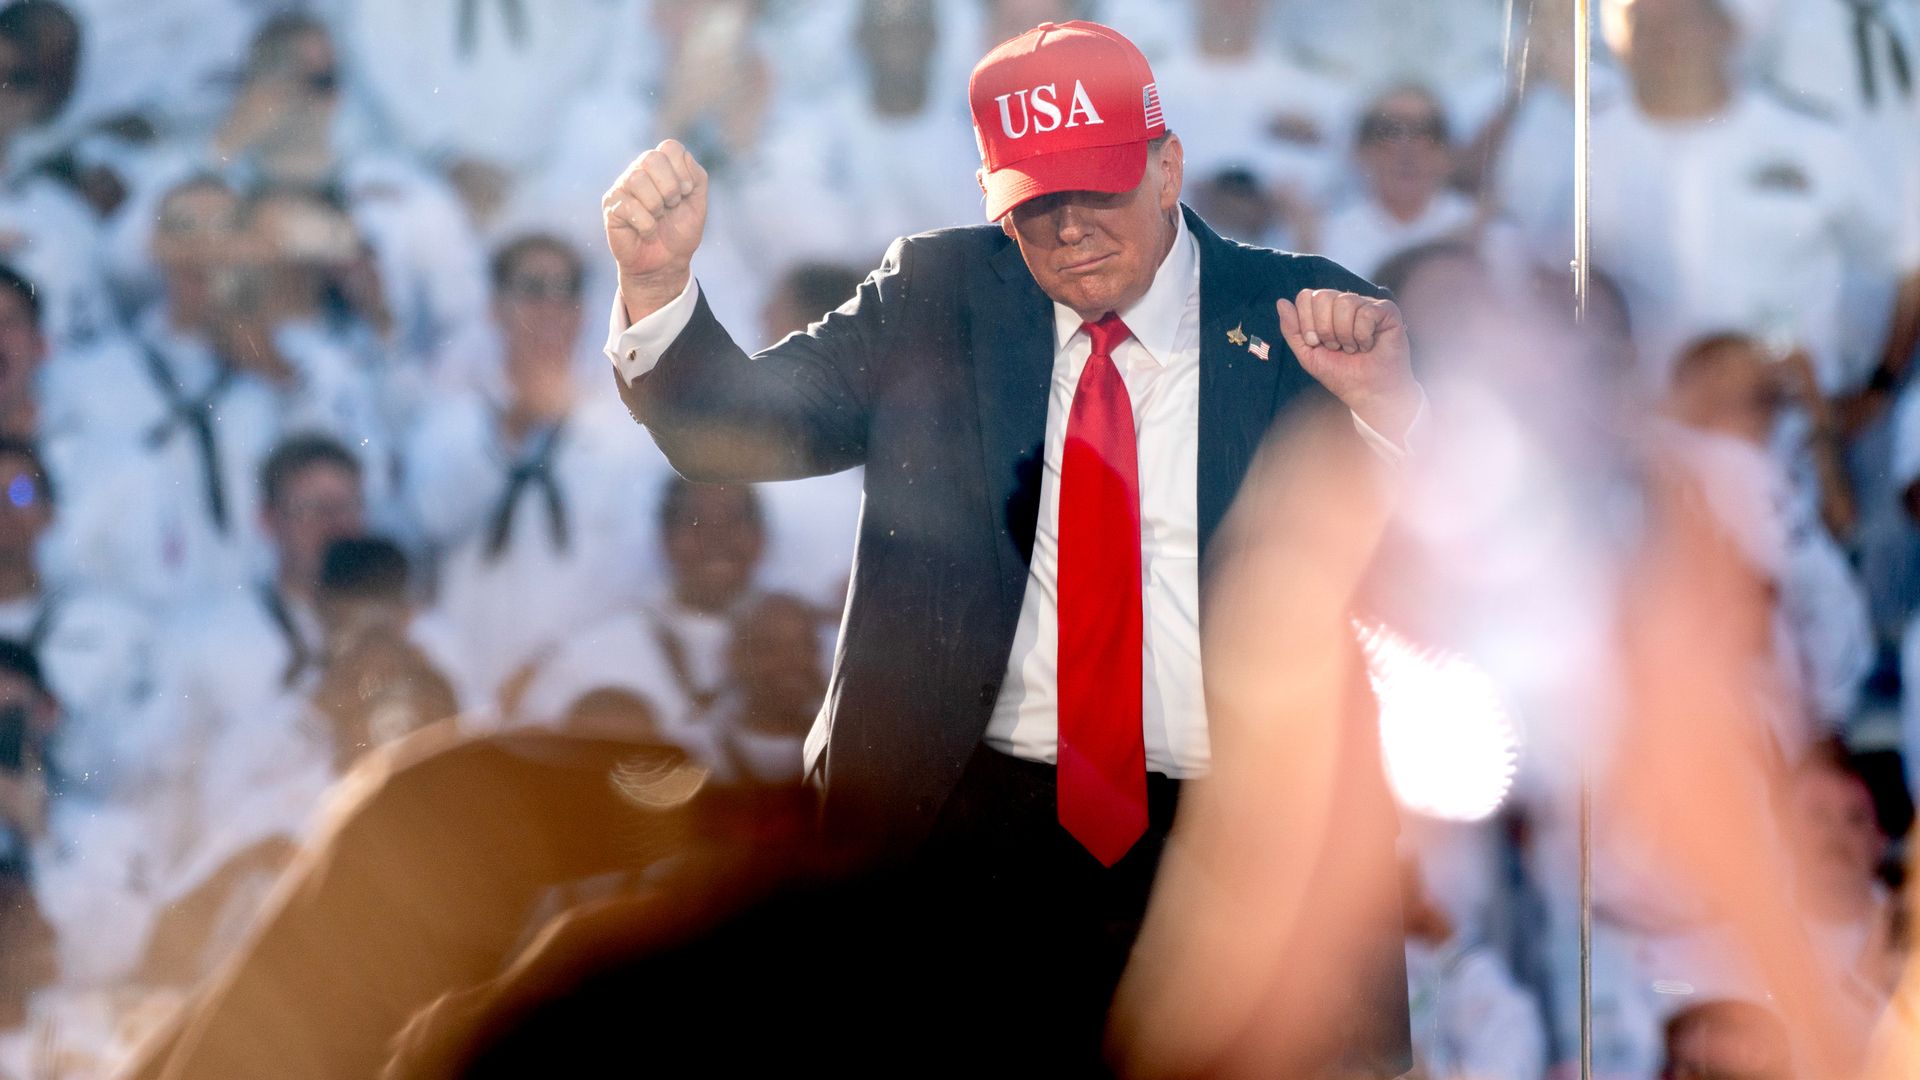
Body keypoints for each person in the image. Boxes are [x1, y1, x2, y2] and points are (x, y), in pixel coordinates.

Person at [602, 19, 1418, 1070]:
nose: (1070, 227)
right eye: (1035, 201)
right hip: (964, 831)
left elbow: (1439, 571)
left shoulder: (1305, 317)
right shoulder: (938, 295)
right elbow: (735, 430)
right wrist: (660, 289)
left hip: (1236, 845)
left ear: (1168, 169)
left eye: (1099, 188)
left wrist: (1392, 417)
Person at [405, 233, 666, 718]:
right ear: (495, 309)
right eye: (532, 290)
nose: (550, 308)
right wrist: (514, 427)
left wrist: (547, 661)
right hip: (469, 673)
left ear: (582, 312)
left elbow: (632, 571)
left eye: (565, 292)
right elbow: (432, 519)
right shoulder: (450, 421)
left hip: (576, 678)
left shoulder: (625, 430)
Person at [516, 477, 765, 741]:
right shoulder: (595, 652)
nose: (717, 540)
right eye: (696, 523)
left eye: (734, 521)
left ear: (761, 538)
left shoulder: (793, 648)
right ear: (665, 539)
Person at [1318, 85, 1478, 280]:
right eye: (1388, 131)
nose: (1407, 149)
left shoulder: (1485, 232)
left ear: (1448, 153)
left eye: (1427, 131)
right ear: (1361, 151)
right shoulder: (1327, 238)